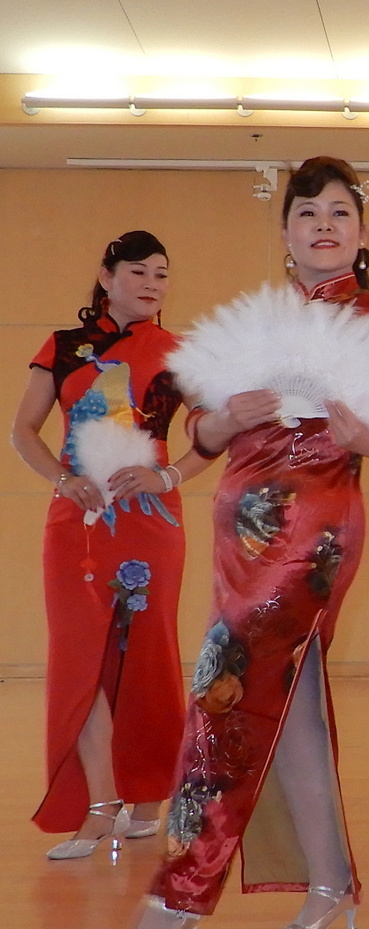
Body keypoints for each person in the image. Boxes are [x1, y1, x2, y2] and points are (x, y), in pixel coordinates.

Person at [96, 157, 369, 929]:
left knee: (224, 691)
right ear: (285, 232)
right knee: (293, 708)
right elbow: (203, 436)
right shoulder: (261, 318)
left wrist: (365, 436)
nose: (323, 224)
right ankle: (330, 881)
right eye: (307, 212)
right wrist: (218, 422)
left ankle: (179, 893)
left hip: (314, 529)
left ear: (362, 231)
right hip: (236, 530)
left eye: (339, 212)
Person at [13, 231, 210, 860]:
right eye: (138, 272)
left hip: (150, 521)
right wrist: (61, 479)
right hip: (77, 519)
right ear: (106, 276)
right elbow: (24, 430)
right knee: (79, 657)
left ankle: (148, 795)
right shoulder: (63, 347)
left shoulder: (179, 352)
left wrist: (168, 475)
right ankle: (99, 805)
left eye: (162, 274)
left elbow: (216, 434)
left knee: (147, 655)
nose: (152, 284)